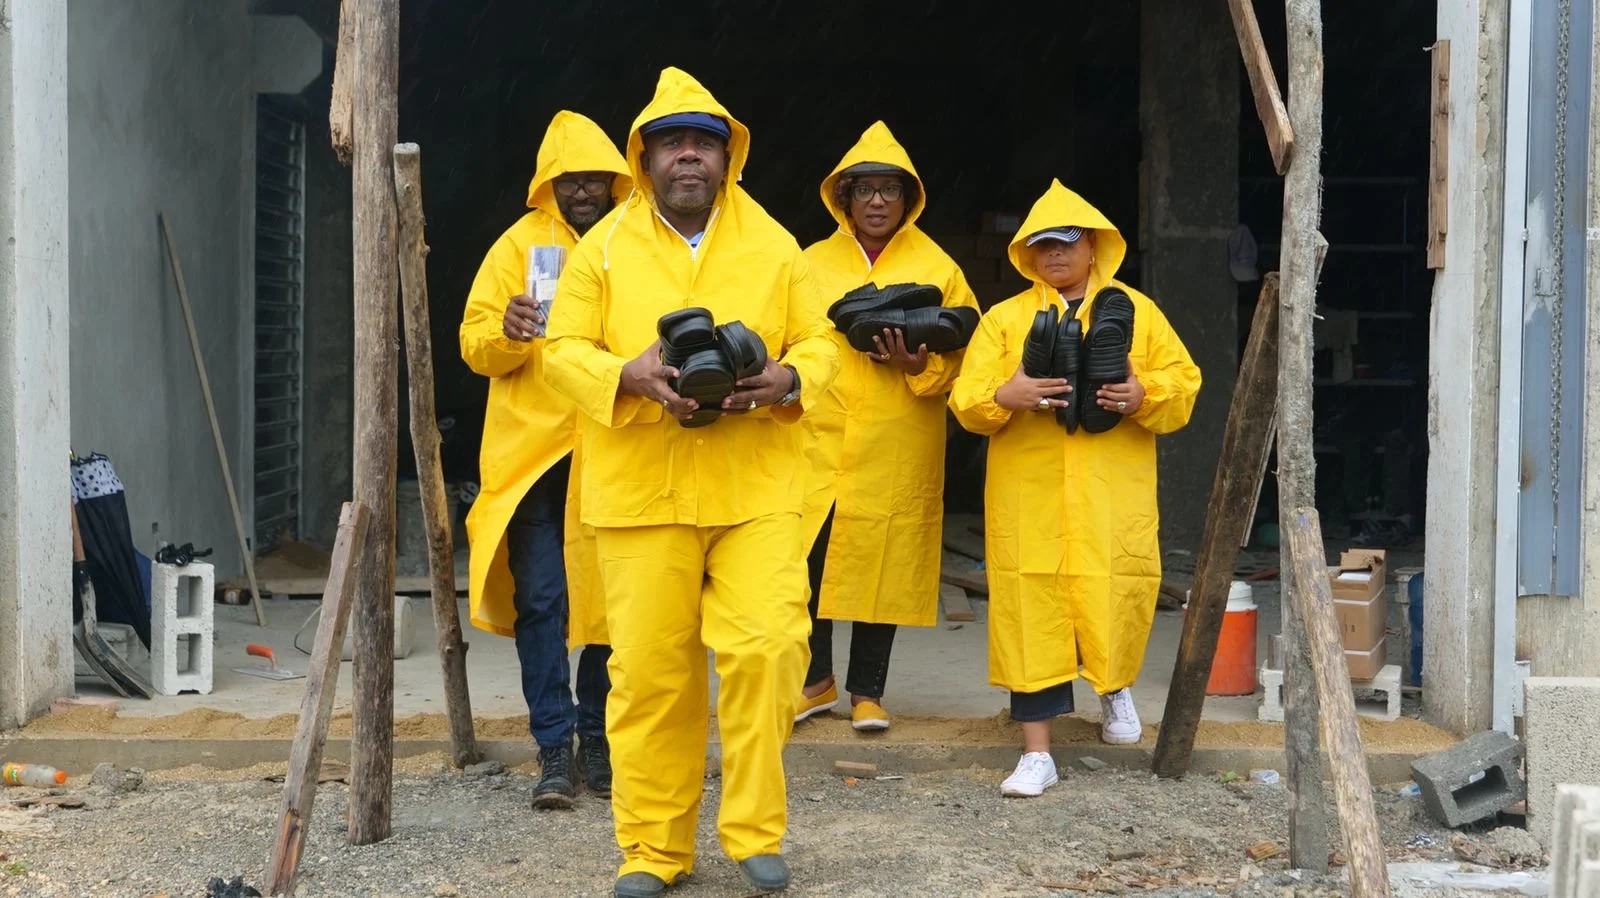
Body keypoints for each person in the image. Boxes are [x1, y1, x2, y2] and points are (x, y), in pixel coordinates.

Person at [543, 68, 840, 898]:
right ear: (643, 159)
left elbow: (822, 343)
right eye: (672, 143)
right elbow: (560, 352)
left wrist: (785, 379)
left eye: (704, 144)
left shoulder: (776, 245)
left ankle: (753, 833)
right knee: (649, 676)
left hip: (757, 489)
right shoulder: (600, 249)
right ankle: (652, 849)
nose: (688, 158)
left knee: (770, 650)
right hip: (641, 495)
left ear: (727, 156)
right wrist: (630, 375)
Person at [949, 180, 1201, 797]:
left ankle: (1114, 692)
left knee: (1112, 594)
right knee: (1031, 613)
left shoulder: (1136, 313)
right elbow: (966, 398)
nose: (1054, 255)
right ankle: (1037, 754)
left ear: (1095, 248)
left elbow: (1183, 381)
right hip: (1028, 494)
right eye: (1042, 245)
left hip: (1111, 492)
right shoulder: (1005, 320)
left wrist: (1146, 394)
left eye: (1067, 243)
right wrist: (1004, 396)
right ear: (1027, 253)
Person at [458, 110, 631, 810]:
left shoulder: (632, 244)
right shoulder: (517, 247)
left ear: (618, 182)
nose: (584, 191)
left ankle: (601, 742)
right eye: (571, 179)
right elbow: (473, 346)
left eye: (596, 178)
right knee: (544, 602)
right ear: (547, 184)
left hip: (616, 448)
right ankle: (554, 749)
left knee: (612, 607)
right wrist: (508, 332)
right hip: (535, 458)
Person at [796, 121, 980, 732]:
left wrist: (919, 365)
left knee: (886, 562)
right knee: (807, 560)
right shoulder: (808, 263)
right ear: (843, 198)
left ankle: (868, 692)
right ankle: (814, 681)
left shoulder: (938, 266)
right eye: (865, 189)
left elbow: (969, 355)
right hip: (817, 436)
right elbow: (785, 337)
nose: (877, 201)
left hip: (898, 438)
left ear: (909, 198)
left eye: (890, 190)